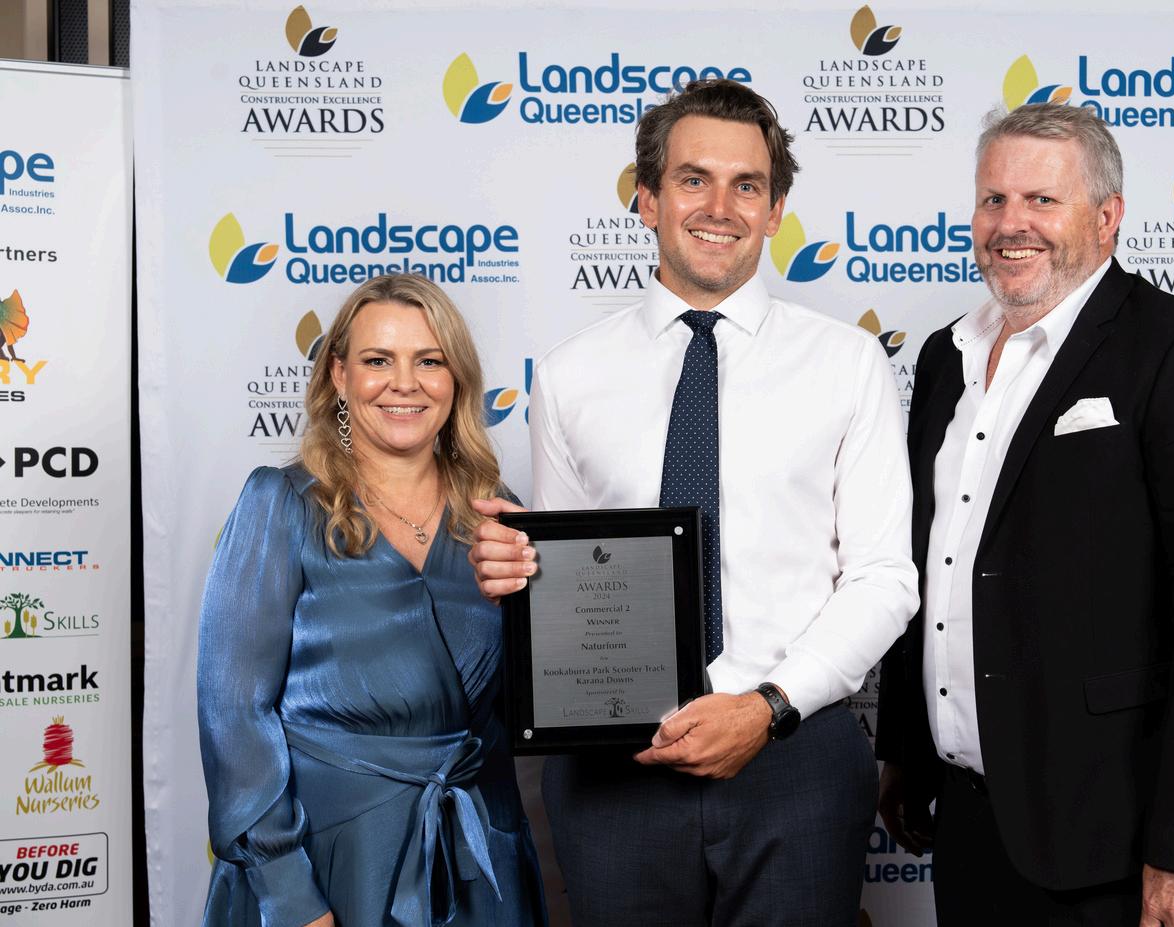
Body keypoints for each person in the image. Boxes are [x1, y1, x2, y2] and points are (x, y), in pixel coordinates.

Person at [470, 79, 918, 926]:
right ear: (646, 199)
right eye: (692, 179)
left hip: (795, 755)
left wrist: (765, 707)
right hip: (615, 767)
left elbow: (883, 576)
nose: (719, 207)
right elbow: (569, 585)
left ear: (775, 210)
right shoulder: (570, 375)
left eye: (747, 185)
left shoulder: (847, 363)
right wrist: (518, 573)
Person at [875, 103, 1174, 926]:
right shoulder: (945, 356)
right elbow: (935, 564)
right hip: (967, 819)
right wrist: (905, 753)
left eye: (1041, 200)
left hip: (1111, 836)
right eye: (993, 199)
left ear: (1106, 218)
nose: (1010, 224)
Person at [198, 274, 547, 927]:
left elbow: (531, 710)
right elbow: (234, 714)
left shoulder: (497, 517)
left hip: (477, 860)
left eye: (429, 361)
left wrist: (542, 609)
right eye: (378, 360)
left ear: (456, 378)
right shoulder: (280, 503)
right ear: (339, 374)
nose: (404, 383)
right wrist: (287, 893)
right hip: (330, 862)